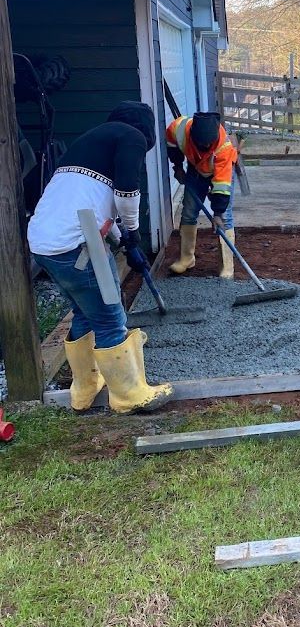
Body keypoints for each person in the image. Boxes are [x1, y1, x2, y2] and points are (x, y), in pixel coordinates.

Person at [27, 101, 173, 413]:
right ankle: (129, 395)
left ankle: (84, 389)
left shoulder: (91, 142)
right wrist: (134, 232)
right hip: (78, 244)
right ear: (147, 133)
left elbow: (97, 205)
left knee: (83, 312)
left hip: (44, 243)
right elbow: (126, 192)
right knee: (110, 317)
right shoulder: (131, 136)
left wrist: (126, 244)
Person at [165, 111, 238, 278]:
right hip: (196, 169)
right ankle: (186, 259)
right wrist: (177, 167)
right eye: (201, 144)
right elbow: (171, 143)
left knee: (225, 217)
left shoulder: (224, 149)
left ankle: (226, 267)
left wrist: (217, 213)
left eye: (208, 145)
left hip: (219, 171)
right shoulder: (178, 129)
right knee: (189, 212)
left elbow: (222, 185)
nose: (205, 147)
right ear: (192, 136)